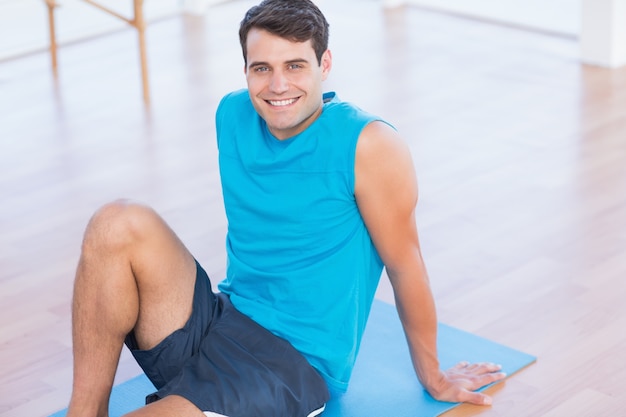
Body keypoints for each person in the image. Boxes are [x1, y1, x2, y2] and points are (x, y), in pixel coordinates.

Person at [65, 1, 506, 416]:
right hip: (223, 320)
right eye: (262, 68)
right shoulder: (231, 114)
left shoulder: (369, 145)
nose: (277, 86)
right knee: (116, 221)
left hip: (290, 367)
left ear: (324, 65)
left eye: (295, 66)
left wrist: (434, 377)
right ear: (246, 70)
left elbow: (405, 264)